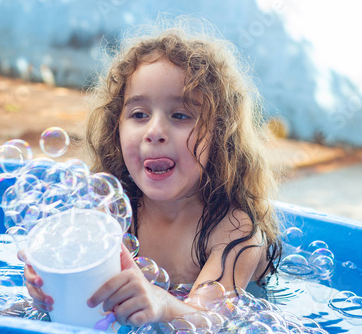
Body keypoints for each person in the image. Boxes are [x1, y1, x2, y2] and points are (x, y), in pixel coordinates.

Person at [19, 15, 282, 327]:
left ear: (221, 135)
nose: (155, 131)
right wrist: (49, 290)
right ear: (115, 129)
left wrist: (161, 303)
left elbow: (209, 321)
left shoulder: (234, 230)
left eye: (181, 115)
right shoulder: (109, 212)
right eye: (139, 114)